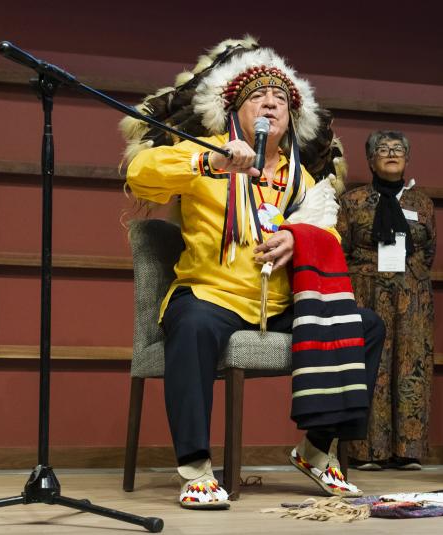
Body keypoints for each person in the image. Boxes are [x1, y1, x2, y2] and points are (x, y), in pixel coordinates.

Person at [122, 37, 384, 508]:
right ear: (233, 112)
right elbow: (140, 174)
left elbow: (329, 233)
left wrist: (296, 239)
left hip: (280, 305)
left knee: (366, 325)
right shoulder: (205, 150)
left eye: (280, 99)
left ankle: (317, 450)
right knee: (194, 323)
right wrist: (208, 161)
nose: (269, 103)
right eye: (257, 98)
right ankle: (197, 468)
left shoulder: (301, 177)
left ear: (292, 118)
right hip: (210, 295)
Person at [336, 131, 436, 470]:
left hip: (413, 296)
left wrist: (412, 279)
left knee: (412, 367)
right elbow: (343, 249)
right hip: (366, 292)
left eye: (397, 150)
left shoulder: (421, 202)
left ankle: (408, 451)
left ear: (407, 159)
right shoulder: (353, 201)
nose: (391, 154)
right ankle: (366, 451)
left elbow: (430, 249)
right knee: (371, 366)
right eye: (383, 149)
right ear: (370, 160)